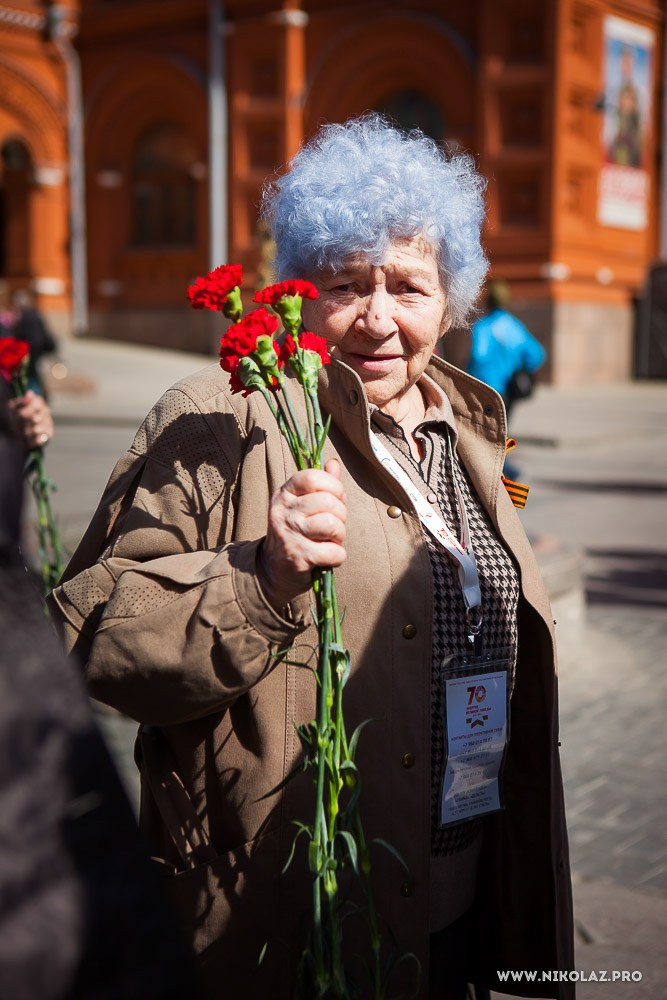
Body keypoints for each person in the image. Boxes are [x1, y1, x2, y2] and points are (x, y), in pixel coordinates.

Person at [48, 116, 574, 999]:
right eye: (344, 285)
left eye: (407, 287)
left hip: (459, 904)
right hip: (287, 916)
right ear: (298, 288)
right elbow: (91, 637)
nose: (377, 318)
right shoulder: (221, 414)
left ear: (450, 301)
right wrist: (257, 579)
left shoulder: (465, 429)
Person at [0, 371, 198, 999]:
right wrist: (260, 587)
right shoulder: (197, 410)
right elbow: (101, 619)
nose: (379, 323)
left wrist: (16, 433)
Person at [467, 280, 546, 427]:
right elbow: (536, 354)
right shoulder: (514, 326)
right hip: (509, 390)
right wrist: (520, 368)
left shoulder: (483, 327)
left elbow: (479, 356)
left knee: (484, 432)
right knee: (503, 431)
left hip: (486, 390)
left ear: (488, 300)